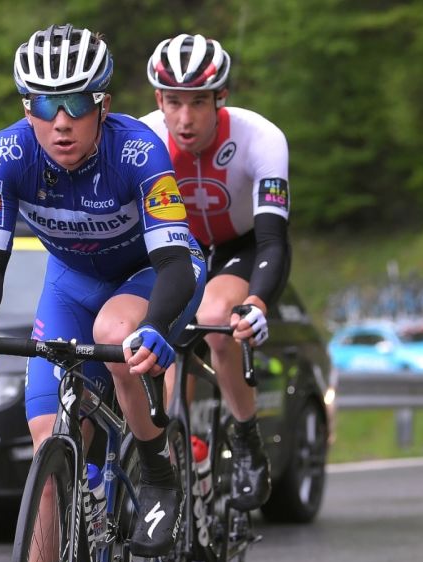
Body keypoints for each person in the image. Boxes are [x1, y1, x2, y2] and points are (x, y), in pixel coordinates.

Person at [0, 25, 206, 562]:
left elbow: (176, 262)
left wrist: (156, 328)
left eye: (77, 104)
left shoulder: (137, 150)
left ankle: (156, 466)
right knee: (48, 450)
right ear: (25, 106)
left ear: (103, 104)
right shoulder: (5, 154)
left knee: (117, 334)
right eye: (44, 104)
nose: (60, 122)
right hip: (70, 286)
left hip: (153, 278)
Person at [140, 32, 291, 512]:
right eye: (174, 102)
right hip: (175, 249)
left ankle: (246, 438)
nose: (185, 119)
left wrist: (257, 302)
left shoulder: (261, 138)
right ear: (159, 100)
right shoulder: (143, 139)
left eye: (198, 103)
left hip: (237, 245)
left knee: (218, 320)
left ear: (220, 97)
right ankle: (170, 454)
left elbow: (273, 239)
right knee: (156, 337)